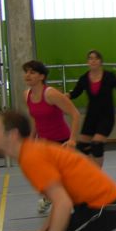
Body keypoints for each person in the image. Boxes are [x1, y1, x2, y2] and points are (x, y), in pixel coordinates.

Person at [23, 60, 81, 214]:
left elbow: (75, 114)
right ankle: (51, 198)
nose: (27, 75)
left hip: (62, 142)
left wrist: (72, 139)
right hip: (44, 142)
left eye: (32, 72)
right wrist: (31, 139)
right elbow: (36, 119)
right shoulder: (27, 95)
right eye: (26, 72)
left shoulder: (50, 94)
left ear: (41, 76)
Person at [67, 50, 116, 167]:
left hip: (106, 116)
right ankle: (93, 169)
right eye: (90, 58)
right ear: (87, 62)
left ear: (101, 62)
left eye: (96, 58)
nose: (93, 61)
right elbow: (75, 93)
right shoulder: (84, 78)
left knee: (97, 144)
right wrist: (63, 96)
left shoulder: (109, 76)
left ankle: (98, 174)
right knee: (81, 146)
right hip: (91, 117)